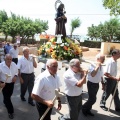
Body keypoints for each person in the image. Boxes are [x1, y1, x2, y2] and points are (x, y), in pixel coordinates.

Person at [0, 54, 18, 119]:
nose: (9, 60)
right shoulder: (1, 66)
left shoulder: (14, 64)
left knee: (9, 95)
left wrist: (15, 76)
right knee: (7, 98)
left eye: (10, 59)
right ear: (5, 59)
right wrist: (0, 84)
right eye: (8, 59)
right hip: (3, 84)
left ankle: (5, 101)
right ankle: (10, 112)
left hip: (11, 83)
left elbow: (16, 71)